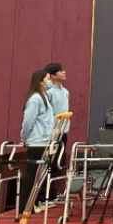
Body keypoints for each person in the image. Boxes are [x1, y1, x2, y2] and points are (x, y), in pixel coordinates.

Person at [19, 70, 56, 213]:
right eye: (48, 79)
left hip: (45, 141)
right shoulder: (35, 99)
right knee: (32, 175)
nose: (50, 82)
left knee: (39, 176)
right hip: (36, 143)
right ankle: (24, 207)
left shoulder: (44, 97)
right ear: (40, 81)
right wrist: (24, 137)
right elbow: (28, 121)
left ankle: (33, 203)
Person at [44, 63, 69, 200]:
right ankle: (43, 196)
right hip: (51, 133)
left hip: (62, 132)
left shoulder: (65, 91)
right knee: (47, 163)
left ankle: (51, 194)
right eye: (60, 71)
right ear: (53, 76)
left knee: (56, 164)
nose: (64, 72)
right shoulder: (48, 92)